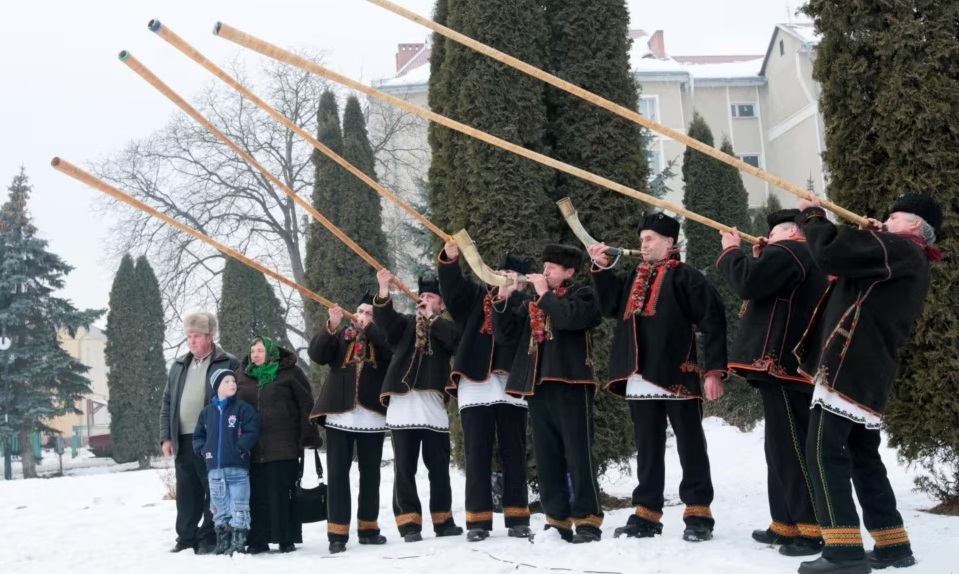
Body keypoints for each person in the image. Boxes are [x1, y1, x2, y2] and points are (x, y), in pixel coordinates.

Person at [792, 193, 942, 574]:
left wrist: (811, 216)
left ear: (912, 225)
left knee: (823, 452)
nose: (883, 220)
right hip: (866, 369)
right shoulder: (906, 254)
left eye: (892, 216)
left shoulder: (900, 247)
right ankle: (893, 544)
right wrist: (865, 235)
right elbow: (849, 267)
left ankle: (843, 551)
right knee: (862, 457)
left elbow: (830, 253)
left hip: (847, 365)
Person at [588, 213, 727, 543]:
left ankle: (698, 514)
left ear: (670, 243)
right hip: (640, 376)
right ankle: (647, 514)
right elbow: (608, 307)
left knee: (690, 445)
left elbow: (714, 321)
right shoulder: (631, 277)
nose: (643, 244)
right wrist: (602, 269)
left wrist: (714, 371)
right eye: (641, 240)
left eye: (650, 239)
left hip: (678, 373)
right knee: (647, 447)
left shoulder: (687, 277)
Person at [715, 210, 830, 556]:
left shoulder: (791, 250)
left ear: (790, 231)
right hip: (790, 366)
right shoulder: (804, 256)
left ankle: (809, 529)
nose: (766, 240)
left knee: (790, 448)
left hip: (782, 364)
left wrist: (730, 250)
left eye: (774, 232)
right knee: (779, 447)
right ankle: (785, 522)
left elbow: (746, 283)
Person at [493, 243, 604, 544]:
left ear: (569, 271)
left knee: (579, 455)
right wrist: (503, 299)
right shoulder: (533, 301)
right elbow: (504, 336)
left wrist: (544, 294)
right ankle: (557, 521)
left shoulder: (585, 295)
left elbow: (568, 319)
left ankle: (588, 521)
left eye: (552, 268)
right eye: (544, 267)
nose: (544, 272)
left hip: (572, 384)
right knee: (547, 457)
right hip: (538, 386)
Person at [438, 242, 533, 542]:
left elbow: (513, 334)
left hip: (510, 386)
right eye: (503, 272)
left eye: (512, 276)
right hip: (474, 384)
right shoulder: (476, 298)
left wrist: (507, 300)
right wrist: (450, 260)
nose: (506, 278)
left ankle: (518, 516)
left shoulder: (527, 306)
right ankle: (477, 521)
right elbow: (452, 290)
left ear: (520, 282)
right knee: (476, 453)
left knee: (514, 452)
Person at [374, 268, 464, 542]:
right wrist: (383, 289)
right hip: (403, 405)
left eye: (431, 296)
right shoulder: (404, 324)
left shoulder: (445, 325)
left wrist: (432, 319)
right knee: (404, 468)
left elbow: (456, 342)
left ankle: (443, 520)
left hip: (433, 405)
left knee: (438, 467)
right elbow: (385, 322)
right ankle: (409, 524)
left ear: (442, 304)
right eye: (421, 295)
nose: (424, 298)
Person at [309, 295, 393, 554]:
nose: (363, 315)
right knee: (337, 475)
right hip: (339, 415)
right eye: (359, 311)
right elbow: (317, 355)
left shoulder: (383, 337)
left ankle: (368, 529)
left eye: (369, 312)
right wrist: (330, 326)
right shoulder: (340, 336)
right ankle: (337, 533)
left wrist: (371, 328)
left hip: (371, 417)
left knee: (371, 475)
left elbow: (391, 354)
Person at [159, 312, 240, 554]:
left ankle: (209, 537)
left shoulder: (228, 362)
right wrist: (166, 436)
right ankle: (186, 538)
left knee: (213, 488)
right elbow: (167, 402)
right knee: (187, 490)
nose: (191, 341)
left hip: (212, 436)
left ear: (209, 336)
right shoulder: (178, 365)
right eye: (189, 336)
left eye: (196, 336)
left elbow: (237, 399)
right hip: (182, 438)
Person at [235, 335, 319, 554]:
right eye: (253, 351)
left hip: (283, 445)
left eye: (261, 351)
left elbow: (305, 403)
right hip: (252, 448)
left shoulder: (289, 373)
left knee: (281, 493)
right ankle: (258, 540)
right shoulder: (241, 377)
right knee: (257, 495)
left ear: (271, 352)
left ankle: (285, 538)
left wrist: (308, 435)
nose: (256, 355)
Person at [192, 369, 260, 556]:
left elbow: (252, 430)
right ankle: (223, 541)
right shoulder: (207, 413)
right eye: (226, 381)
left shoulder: (242, 408)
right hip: (215, 469)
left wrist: (240, 447)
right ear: (216, 387)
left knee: (239, 504)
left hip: (237, 467)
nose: (232, 384)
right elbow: (198, 436)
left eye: (233, 381)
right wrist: (203, 450)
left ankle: (238, 542)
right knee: (219, 505)